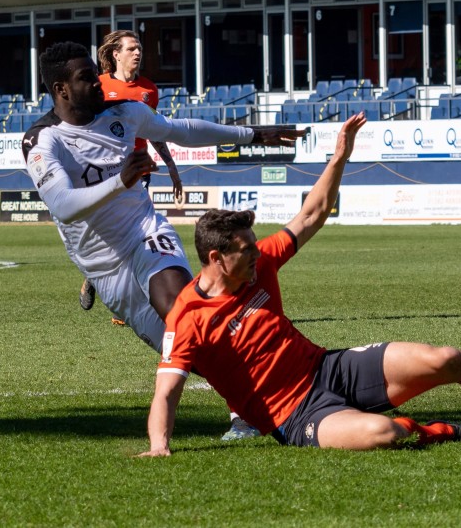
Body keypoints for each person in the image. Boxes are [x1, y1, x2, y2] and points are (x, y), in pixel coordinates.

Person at [138, 113, 461, 456]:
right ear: (216, 258)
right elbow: (166, 392)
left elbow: (311, 215)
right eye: (245, 247)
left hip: (329, 369)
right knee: (384, 435)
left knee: (445, 358)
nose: (257, 250)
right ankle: (444, 431)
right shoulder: (188, 318)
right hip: (294, 418)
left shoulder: (259, 262)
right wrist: (159, 448)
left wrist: (340, 156)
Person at [24, 42, 303, 440]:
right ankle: (261, 401)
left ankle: (269, 403)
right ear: (61, 89)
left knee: (180, 309)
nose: (98, 83)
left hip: (144, 232)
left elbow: (181, 130)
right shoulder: (43, 140)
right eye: (86, 78)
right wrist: (119, 181)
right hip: (104, 267)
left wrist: (253, 134)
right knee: (191, 349)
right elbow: (65, 206)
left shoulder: (124, 112)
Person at [78, 30, 183, 317]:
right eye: (131, 48)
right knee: (108, 234)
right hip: (104, 172)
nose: (137, 53)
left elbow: (156, 133)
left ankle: (126, 301)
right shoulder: (98, 86)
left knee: (136, 235)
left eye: (139, 48)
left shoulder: (149, 90)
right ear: (116, 54)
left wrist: (173, 170)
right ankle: (93, 275)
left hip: (138, 169)